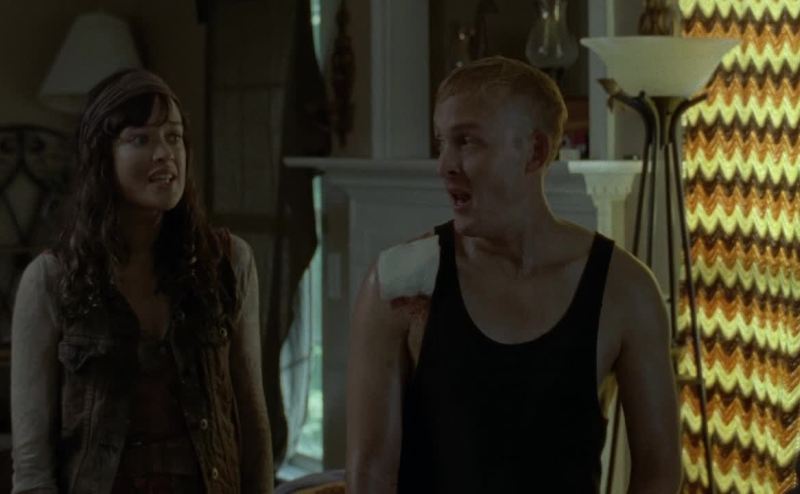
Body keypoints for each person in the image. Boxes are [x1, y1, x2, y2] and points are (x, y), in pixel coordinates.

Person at [346, 56, 681, 493]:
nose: (444, 165)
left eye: (467, 141)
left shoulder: (626, 290)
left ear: (535, 152)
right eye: (442, 142)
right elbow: (370, 474)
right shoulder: (398, 284)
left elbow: (659, 473)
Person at [10, 69, 273, 493]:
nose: (165, 153)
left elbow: (253, 424)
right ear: (102, 157)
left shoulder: (228, 262)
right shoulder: (51, 279)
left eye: (174, 136)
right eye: (140, 139)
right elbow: (32, 466)